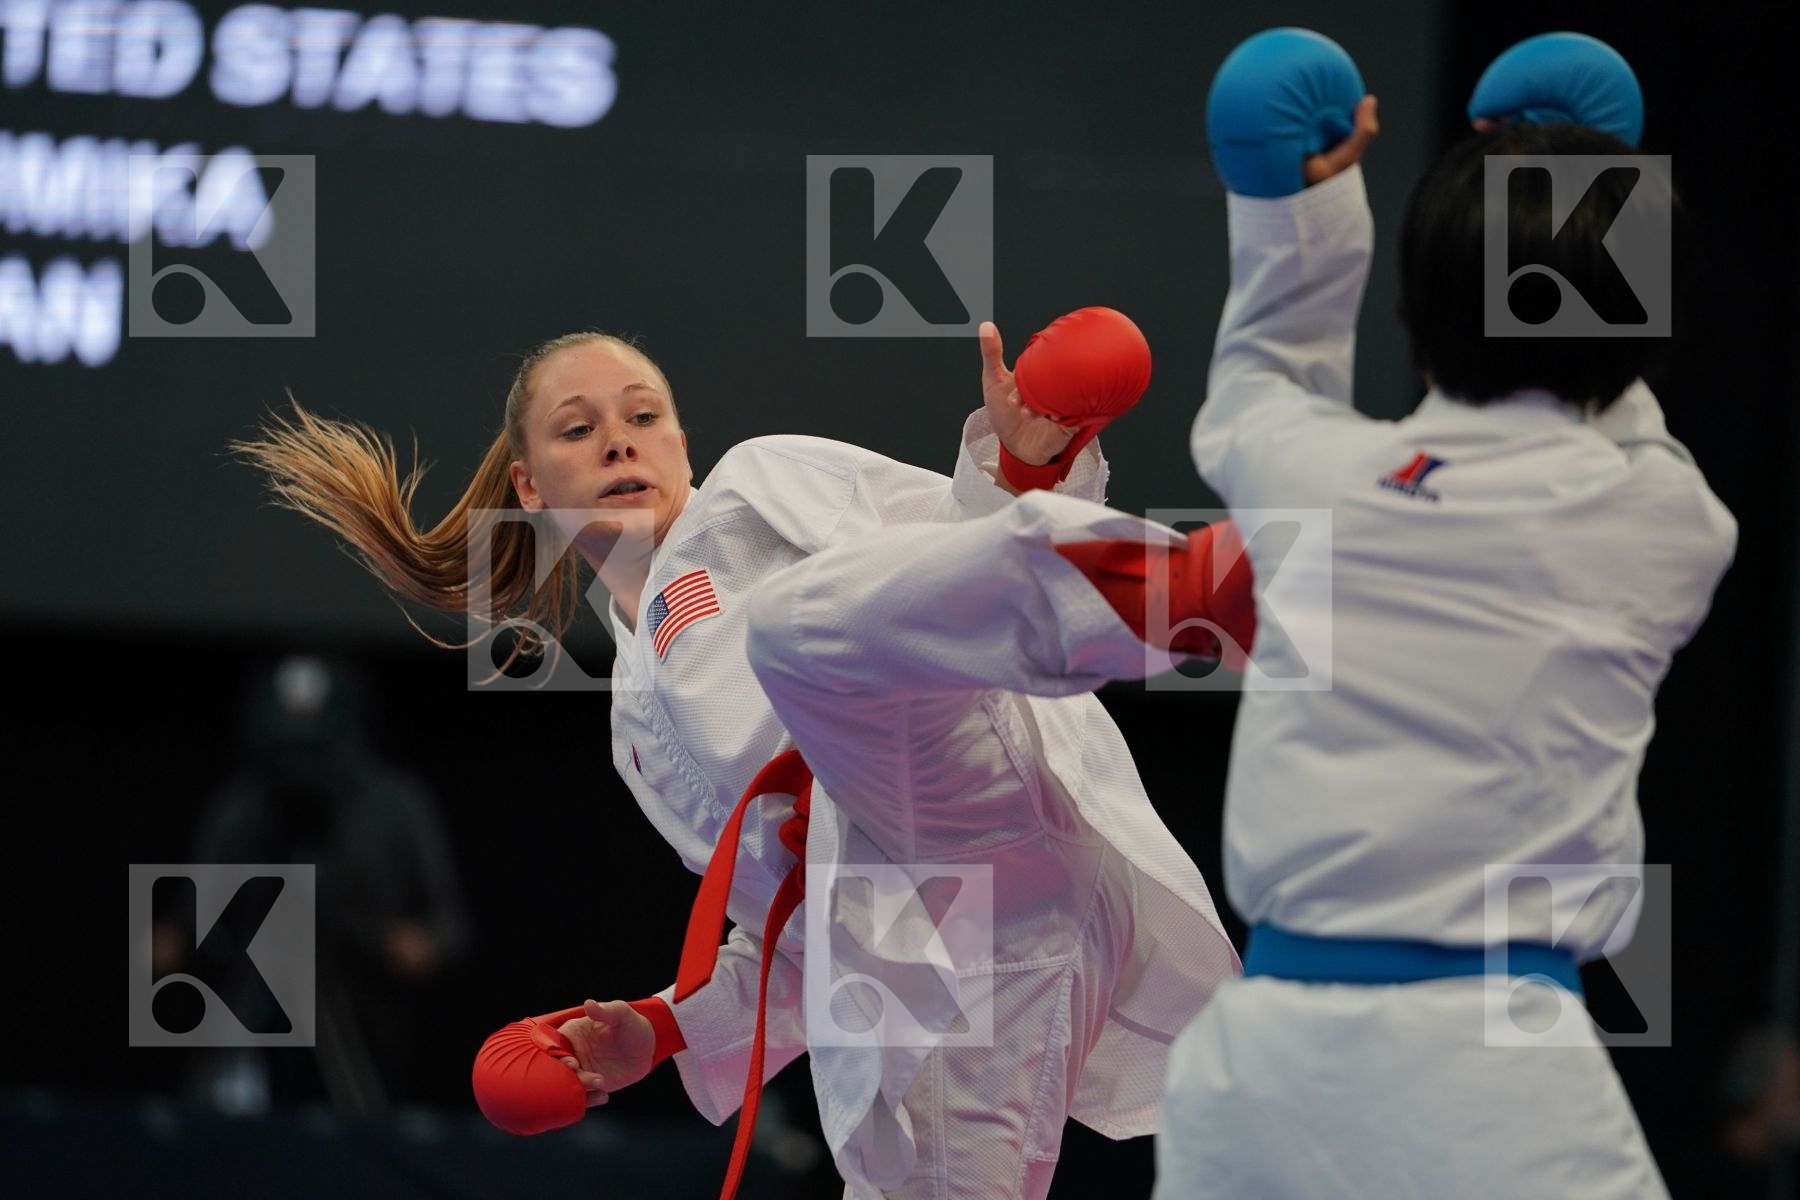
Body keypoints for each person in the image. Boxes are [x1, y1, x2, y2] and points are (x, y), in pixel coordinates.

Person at [231, 313, 1250, 1199]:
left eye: (642, 417)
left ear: (683, 442)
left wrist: (1019, 466)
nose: (619, 443)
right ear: (529, 484)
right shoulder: (636, 734)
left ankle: (1187, 595)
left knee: (797, 630)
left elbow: (954, 550)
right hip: (945, 947)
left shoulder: (753, 489)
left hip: (960, 784)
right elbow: (792, 932)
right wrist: (659, 1030)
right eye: (579, 430)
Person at [1155, 29, 1736, 1198]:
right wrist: (1571, 185)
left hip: (1257, 1075)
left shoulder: (1308, 476)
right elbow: (1612, 404)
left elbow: (1265, 372)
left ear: (1415, 317)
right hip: (1495, 1071)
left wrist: (1298, 212)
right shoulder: (1664, 520)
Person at [161, 653, 473, 1114]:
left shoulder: (395, 807)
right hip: (252, 1015)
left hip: (364, 1028)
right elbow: (187, 919)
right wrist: (169, 943)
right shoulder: (241, 808)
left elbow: (451, 927)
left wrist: (415, 946)